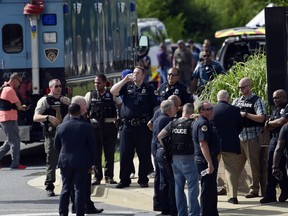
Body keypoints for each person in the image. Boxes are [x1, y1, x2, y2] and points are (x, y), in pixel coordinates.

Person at [110, 66, 159, 189]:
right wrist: (124, 80)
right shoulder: (127, 87)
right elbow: (113, 91)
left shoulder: (149, 89)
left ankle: (143, 179)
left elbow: (157, 107)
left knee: (144, 154)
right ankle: (124, 179)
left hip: (143, 126)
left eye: (138, 73)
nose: (135, 75)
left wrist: (153, 120)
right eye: (134, 73)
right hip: (127, 126)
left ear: (143, 75)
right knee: (125, 154)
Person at [63, 96, 104, 214]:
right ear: (78, 106)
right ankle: (82, 207)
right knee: (81, 186)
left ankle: (81, 206)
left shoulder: (73, 118)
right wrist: (91, 161)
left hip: (72, 160)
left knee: (74, 187)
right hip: (80, 160)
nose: (86, 107)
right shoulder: (78, 121)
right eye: (84, 105)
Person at [54, 103, 96, 216]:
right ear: (79, 112)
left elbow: (56, 146)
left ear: (68, 113)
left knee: (66, 188)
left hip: (65, 161)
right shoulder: (86, 127)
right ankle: (79, 213)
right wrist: (93, 163)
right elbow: (92, 146)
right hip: (81, 161)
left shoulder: (60, 127)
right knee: (79, 189)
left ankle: (63, 213)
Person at [159, 103, 200, 216]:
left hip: (175, 160)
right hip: (190, 160)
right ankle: (194, 213)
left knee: (179, 187)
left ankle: (181, 213)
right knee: (192, 188)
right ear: (192, 112)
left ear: (183, 111)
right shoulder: (192, 124)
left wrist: (168, 149)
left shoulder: (173, 123)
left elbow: (160, 136)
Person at [33, 79, 70, 197]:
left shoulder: (65, 100)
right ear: (50, 88)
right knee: (51, 160)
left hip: (65, 134)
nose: (59, 88)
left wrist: (69, 103)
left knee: (66, 160)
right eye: (56, 86)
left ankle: (67, 184)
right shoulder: (44, 101)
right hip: (51, 134)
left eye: (60, 86)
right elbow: (35, 117)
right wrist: (48, 117)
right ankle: (49, 185)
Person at [85, 74, 122, 185]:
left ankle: (109, 176)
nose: (96, 85)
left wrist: (119, 118)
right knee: (96, 153)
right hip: (95, 127)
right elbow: (84, 109)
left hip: (109, 126)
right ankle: (97, 177)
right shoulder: (90, 95)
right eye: (95, 82)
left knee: (109, 153)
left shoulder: (112, 94)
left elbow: (121, 105)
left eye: (99, 82)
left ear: (105, 83)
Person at [232, 77, 266, 198]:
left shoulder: (257, 100)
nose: (241, 90)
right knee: (234, 164)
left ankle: (254, 189)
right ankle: (229, 188)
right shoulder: (237, 101)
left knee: (254, 164)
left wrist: (246, 114)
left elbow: (261, 117)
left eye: (243, 87)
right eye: (239, 88)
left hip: (252, 136)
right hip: (239, 136)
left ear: (249, 86)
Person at [148, 95, 181, 212]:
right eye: (174, 108)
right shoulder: (167, 120)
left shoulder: (157, 119)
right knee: (170, 180)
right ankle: (172, 207)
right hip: (164, 152)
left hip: (158, 151)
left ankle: (164, 207)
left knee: (163, 180)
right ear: (169, 110)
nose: (175, 110)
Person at [213, 90, 243, 204]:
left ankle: (211, 194)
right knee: (231, 171)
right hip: (231, 144)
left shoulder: (212, 110)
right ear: (228, 98)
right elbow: (240, 126)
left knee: (212, 169)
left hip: (215, 144)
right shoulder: (235, 110)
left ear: (217, 98)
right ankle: (233, 196)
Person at [260, 89, 288, 203]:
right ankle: (270, 194)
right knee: (272, 167)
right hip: (274, 139)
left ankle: (285, 191)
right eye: (274, 98)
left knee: (280, 167)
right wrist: (271, 124)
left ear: (284, 97)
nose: (275, 100)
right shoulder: (275, 109)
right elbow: (268, 127)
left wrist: (270, 123)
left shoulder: (286, 108)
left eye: (277, 97)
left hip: (285, 141)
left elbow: (282, 122)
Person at [193, 101, 220, 216]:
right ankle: (206, 213)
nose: (212, 111)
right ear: (202, 111)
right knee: (207, 188)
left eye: (211, 108)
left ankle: (212, 212)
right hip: (205, 160)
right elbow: (203, 144)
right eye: (209, 109)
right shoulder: (202, 124)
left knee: (211, 188)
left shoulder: (207, 123)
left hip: (209, 159)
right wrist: (209, 163)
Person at [0, 72, 27, 169]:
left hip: (5, 118)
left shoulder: (4, 86)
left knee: (9, 141)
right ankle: (15, 164)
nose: (20, 84)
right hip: (8, 118)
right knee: (15, 141)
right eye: (19, 81)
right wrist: (22, 107)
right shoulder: (9, 90)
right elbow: (18, 104)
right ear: (15, 79)